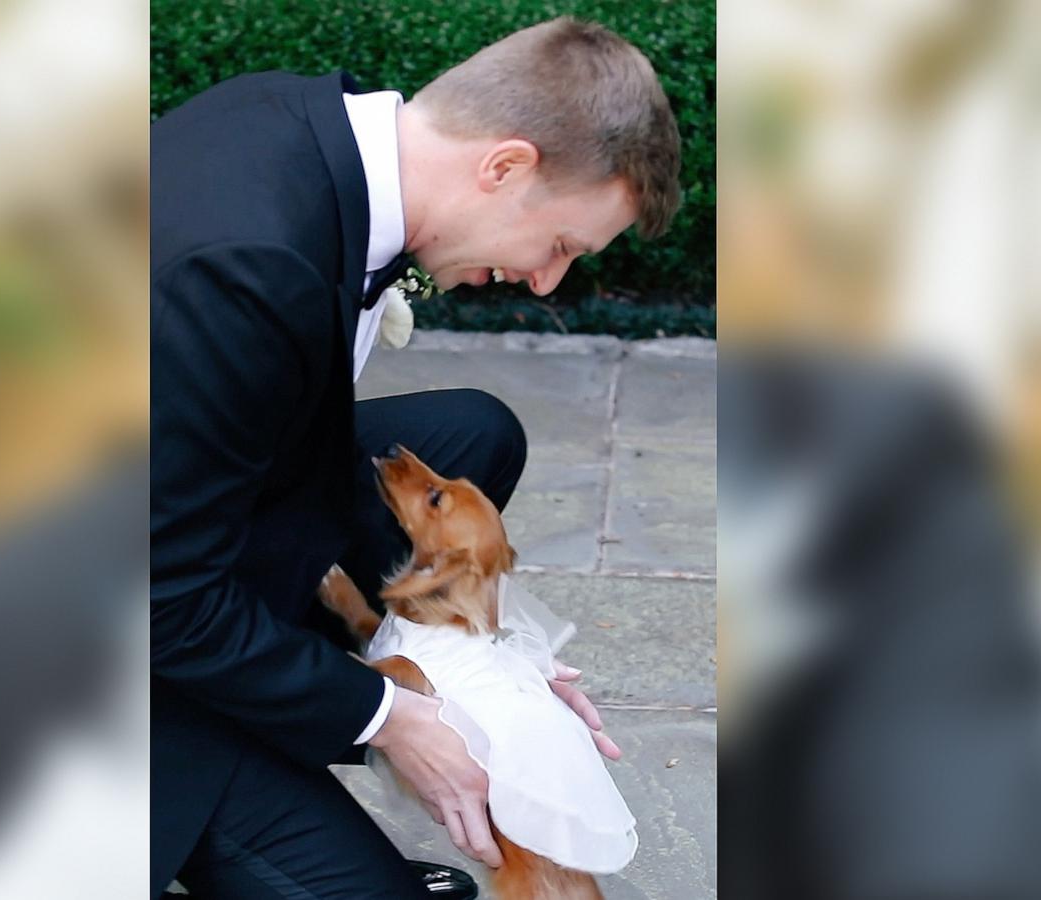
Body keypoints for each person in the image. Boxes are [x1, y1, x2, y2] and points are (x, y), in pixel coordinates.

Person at [151, 17, 682, 898]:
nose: (548, 282)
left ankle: (294, 682)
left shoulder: (317, 123)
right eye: (560, 247)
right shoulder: (248, 270)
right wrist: (390, 716)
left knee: (472, 435)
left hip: (162, 502)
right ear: (504, 166)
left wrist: (488, 669)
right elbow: (159, 597)